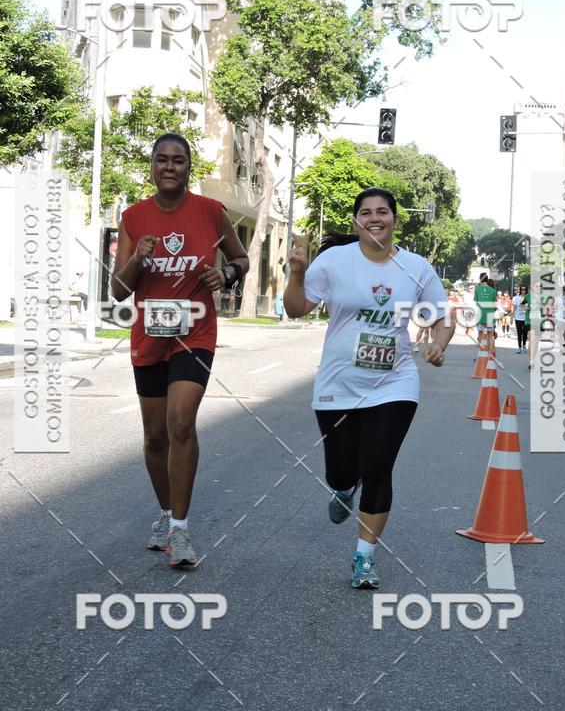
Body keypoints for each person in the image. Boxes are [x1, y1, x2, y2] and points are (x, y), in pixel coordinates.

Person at [283, 187, 454, 590]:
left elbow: (442, 317)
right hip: (337, 383)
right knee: (340, 470)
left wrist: (438, 344)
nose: (374, 218)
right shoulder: (334, 261)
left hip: (394, 383)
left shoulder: (416, 267)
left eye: (382, 211)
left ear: (395, 218)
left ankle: (364, 557)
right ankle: (344, 487)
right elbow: (295, 308)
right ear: (356, 221)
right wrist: (296, 271)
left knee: (378, 468)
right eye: (365, 212)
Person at [111, 132, 249, 568]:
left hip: (195, 334)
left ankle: (182, 532)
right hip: (149, 337)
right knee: (154, 438)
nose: (170, 167)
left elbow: (241, 259)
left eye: (178, 160)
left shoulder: (211, 212)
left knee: (181, 424)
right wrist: (138, 258)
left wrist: (224, 275)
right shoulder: (134, 217)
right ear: (151, 166)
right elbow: (117, 289)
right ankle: (168, 516)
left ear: (189, 167)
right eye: (162, 160)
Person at [474, 273, 497, 358]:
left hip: (481, 314)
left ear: (480, 280)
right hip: (490, 315)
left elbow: (476, 302)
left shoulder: (477, 289)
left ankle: (482, 355)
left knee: (480, 334)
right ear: (487, 280)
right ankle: (490, 355)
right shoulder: (493, 291)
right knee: (490, 335)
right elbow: (494, 305)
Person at [512, 284, 528, 353]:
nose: (523, 291)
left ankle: (524, 345)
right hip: (518, 318)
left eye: (524, 289)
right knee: (519, 333)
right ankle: (519, 348)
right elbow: (514, 308)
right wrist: (512, 317)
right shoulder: (516, 298)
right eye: (522, 289)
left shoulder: (528, 297)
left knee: (525, 333)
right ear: (520, 290)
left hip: (526, 318)